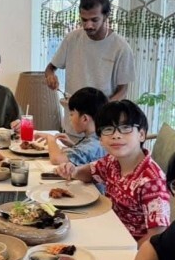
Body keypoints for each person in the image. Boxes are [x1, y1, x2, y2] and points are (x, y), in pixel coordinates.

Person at [56, 100, 169, 245]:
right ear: (100, 139)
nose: (116, 135)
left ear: (141, 135)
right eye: (108, 129)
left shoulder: (152, 180)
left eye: (125, 128)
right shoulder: (112, 161)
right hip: (107, 231)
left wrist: (128, 252)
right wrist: (74, 170)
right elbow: (91, 172)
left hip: (129, 247)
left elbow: (158, 234)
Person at [44, 0, 135, 136]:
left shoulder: (121, 47)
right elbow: (51, 68)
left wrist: (102, 109)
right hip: (72, 126)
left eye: (94, 20)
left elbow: (123, 90)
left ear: (106, 16)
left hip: (101, 128)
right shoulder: (72, 39)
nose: (88, 25)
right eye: (84, 20)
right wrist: (50, 76)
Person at [35, 87, 108, 166]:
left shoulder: (93, 144)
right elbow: (86, 155)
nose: (70, 118)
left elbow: (57, 159)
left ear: (84, 119)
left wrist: (50, 138)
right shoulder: (97, 137)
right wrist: (72, 145)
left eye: (71, 114)